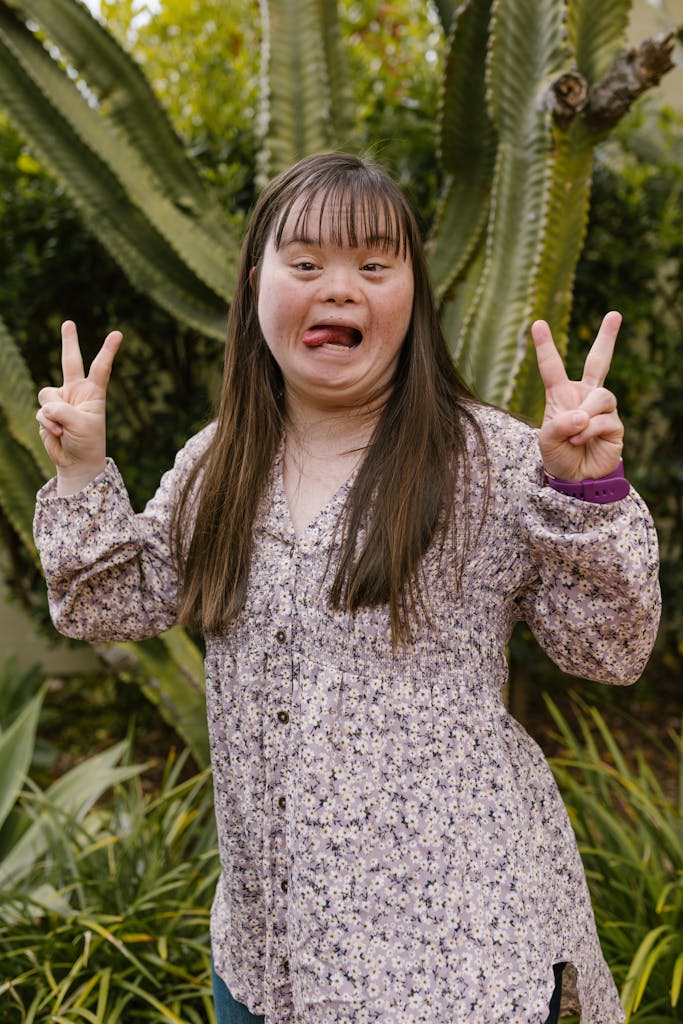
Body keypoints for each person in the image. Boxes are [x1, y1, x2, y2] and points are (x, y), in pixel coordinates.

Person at [34, 152, 660, 1024]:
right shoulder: (219, 463)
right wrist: (81, 473)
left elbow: (610, 651)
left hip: (452, 963)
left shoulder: (492, 458)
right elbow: (105, 603)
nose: (339, 288)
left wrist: (586, 493)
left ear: (412, 295)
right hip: (266, 958)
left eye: (374, 265)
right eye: (305, 264)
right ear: (257, 288)